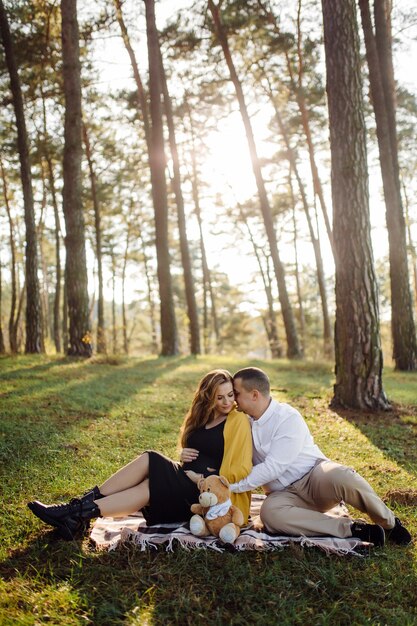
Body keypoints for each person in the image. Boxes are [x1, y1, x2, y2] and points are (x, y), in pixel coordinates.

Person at [28, 369, 252, 540]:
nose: (226, 402)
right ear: (208, 397)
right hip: (184, 481)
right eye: (219, 397)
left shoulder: (237, 420)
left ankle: (73, 511)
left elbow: (239, 466)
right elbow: (201, 447)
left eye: (230, 395)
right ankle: (76, 515)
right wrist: (184, 455)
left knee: (151, 458)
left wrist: (202, 478)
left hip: (203, 495)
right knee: (146, 486)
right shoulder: (203, 417)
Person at [229, 366, 411, 547]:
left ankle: (390, 523)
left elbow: (274, 467)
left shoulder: (287, 418)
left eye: (236, 393)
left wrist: (233, 487)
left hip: (315, 481)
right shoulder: (242, 423)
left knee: (342, 476)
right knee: (269, 514)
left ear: (254, 394)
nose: (233, 399)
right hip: (282, 495)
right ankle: (354, 530)